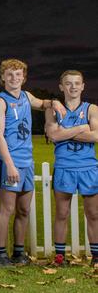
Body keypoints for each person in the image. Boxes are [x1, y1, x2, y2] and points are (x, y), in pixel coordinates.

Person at [0, 58, 64, 267]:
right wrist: (10, 164)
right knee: (7, 209)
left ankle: (19, 253)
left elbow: (42, 104)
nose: (14, 78)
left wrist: (54, 102)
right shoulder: (0, 101)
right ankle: (1, 255)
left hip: (27, 161)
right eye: (10, 74)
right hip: (10, 162)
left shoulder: (25, 96)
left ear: (24, 77)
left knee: (23, 209)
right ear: (3, 77)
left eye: (18, 74)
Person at [44, 70, 98, 267]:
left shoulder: (92, 109)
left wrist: (64, 132)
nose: (73, 87)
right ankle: (60, 257)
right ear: (61, 87)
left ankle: (96, 256)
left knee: (93, 214)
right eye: (68, 83)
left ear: (83, 86)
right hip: (64, 166)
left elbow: (96, 136)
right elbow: (54, 136)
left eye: (77, 83)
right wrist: (82, 128)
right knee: (61, 213)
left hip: (88, 167)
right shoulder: (53, 110)